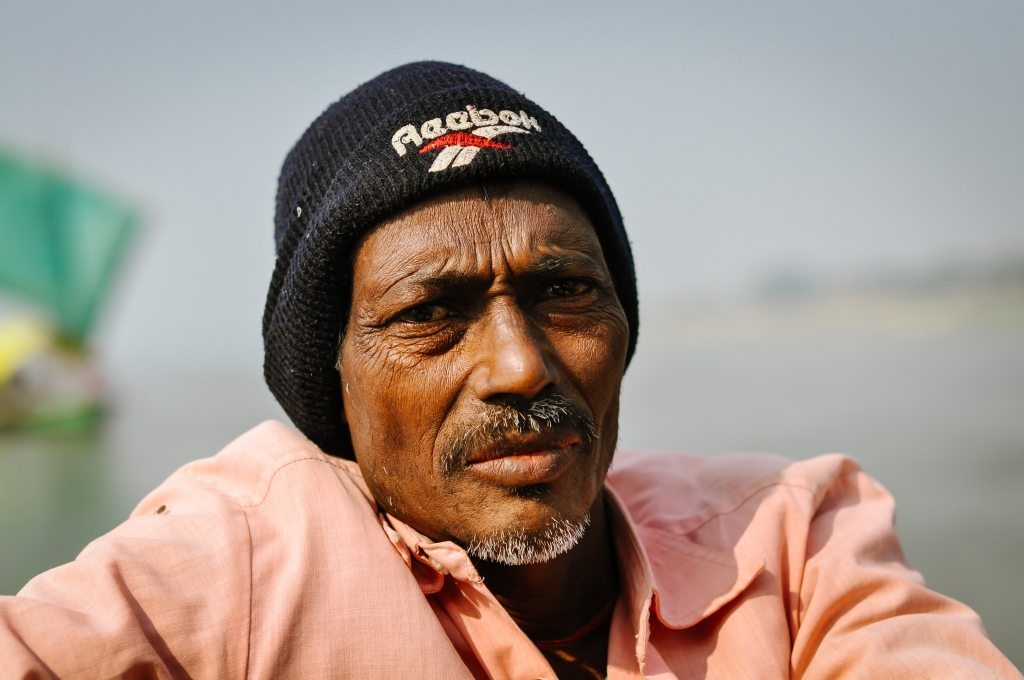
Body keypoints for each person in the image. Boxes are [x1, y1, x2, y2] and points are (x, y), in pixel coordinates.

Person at [0, 61, 1018, 679]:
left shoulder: (790, 534)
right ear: (332, 383)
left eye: (565, 292)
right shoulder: (244, 558)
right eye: (430, 314)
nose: (521, 365)